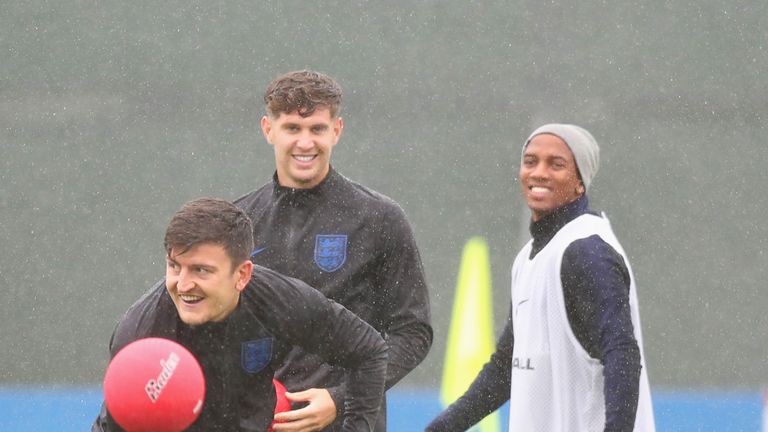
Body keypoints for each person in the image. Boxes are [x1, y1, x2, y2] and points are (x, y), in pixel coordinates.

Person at [234, 70, 432, 431]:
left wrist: (342, 398)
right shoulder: (238, 223)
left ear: (336, 131)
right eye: (293, 128)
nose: (305, 143)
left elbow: (413, 332)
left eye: (317, 129)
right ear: (269, 129)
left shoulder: (379, 218)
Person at [426, 124, 655, 431]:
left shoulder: (587, 251)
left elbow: (622, 354)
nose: (539, 173)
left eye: (556, 164)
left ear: (580, 182)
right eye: (530, 161)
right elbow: (506, 368)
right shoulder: (529, 258)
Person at [92, 197, 388, 431]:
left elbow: (369, 352)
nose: (182, 285)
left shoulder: (277, 300)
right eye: (174, 266)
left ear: (242, 274)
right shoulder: (140, 338)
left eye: (201, 270)